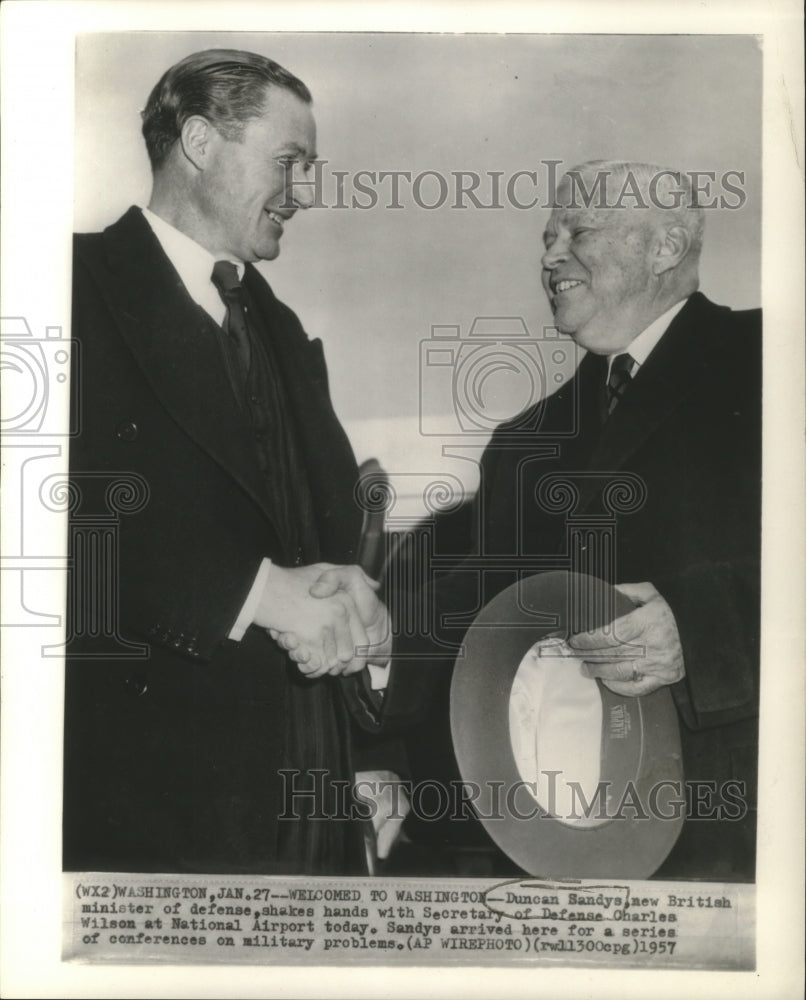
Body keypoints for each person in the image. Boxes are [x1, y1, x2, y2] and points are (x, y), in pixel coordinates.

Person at [306, 160, 761, 880]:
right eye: (547, 235)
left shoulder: (772, 363)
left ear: (666, 246)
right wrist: (383, 750)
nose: (550, 255)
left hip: (734, 837)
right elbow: (473, 617)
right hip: (543, 845)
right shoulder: (525, 441)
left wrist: (701, 628)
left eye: (579, 231)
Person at [63, 49, 390, 876]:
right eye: (290, 162)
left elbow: (321, 535)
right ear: (201, 143)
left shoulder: (276, 326)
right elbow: (43, 531)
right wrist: (254, 593)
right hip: (158, 804)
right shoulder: (62, 288)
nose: (306, 192)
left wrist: (358, 613)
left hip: (312, 791)